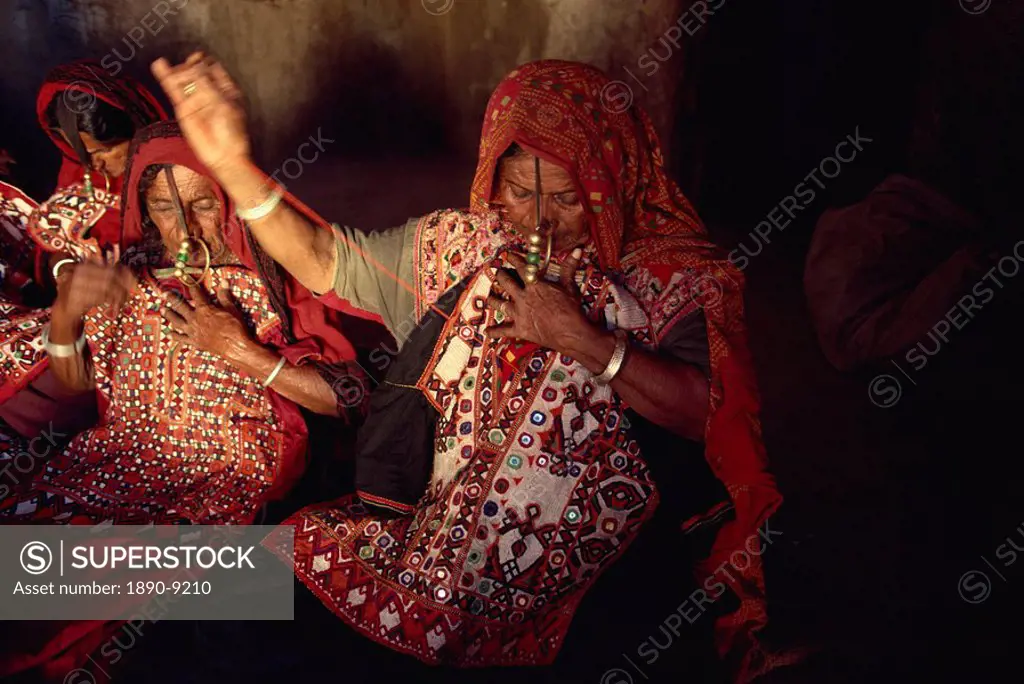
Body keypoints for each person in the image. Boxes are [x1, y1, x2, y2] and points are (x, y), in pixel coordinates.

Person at [144, 54, 784, 681]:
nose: (538, 218)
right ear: (492, 176)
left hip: (580, 578)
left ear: (609, 180)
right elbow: (323, 259)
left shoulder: (672, 278)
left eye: (564, 196)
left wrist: (586, 341)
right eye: (519, 190)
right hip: (426, 544)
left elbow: (707, 412)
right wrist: (230, 164)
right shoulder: (462, 248)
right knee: (214, 608)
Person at [0, 120, 368, 525]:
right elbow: (81, 380)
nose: (185, 228)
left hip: (229, 471)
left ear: (228, 201)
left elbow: (350, 399)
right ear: (144, 209)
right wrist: (67, 315)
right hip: (121, 457)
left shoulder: (270, 281)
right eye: (163, 208)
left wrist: (243, 352)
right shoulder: (129, 274)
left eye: (203, 205)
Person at [0, 61, 168, 438]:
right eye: (81, 151)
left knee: (52, 392)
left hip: (148, 319)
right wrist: (66, 275)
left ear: (137, 126)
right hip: (81, 312)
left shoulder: (173, 177)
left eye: (107, 150)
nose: (96, 164)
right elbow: (54, 249)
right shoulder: (82, 174)